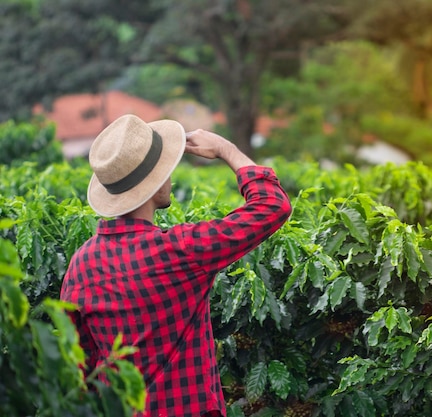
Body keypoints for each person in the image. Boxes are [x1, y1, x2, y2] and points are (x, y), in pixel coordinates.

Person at [60, 114, 292, 417]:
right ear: (155, 186)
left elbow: (81, 367)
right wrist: (225, 148)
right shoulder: (180, 251)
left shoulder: (81, 265)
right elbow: (272, 205)